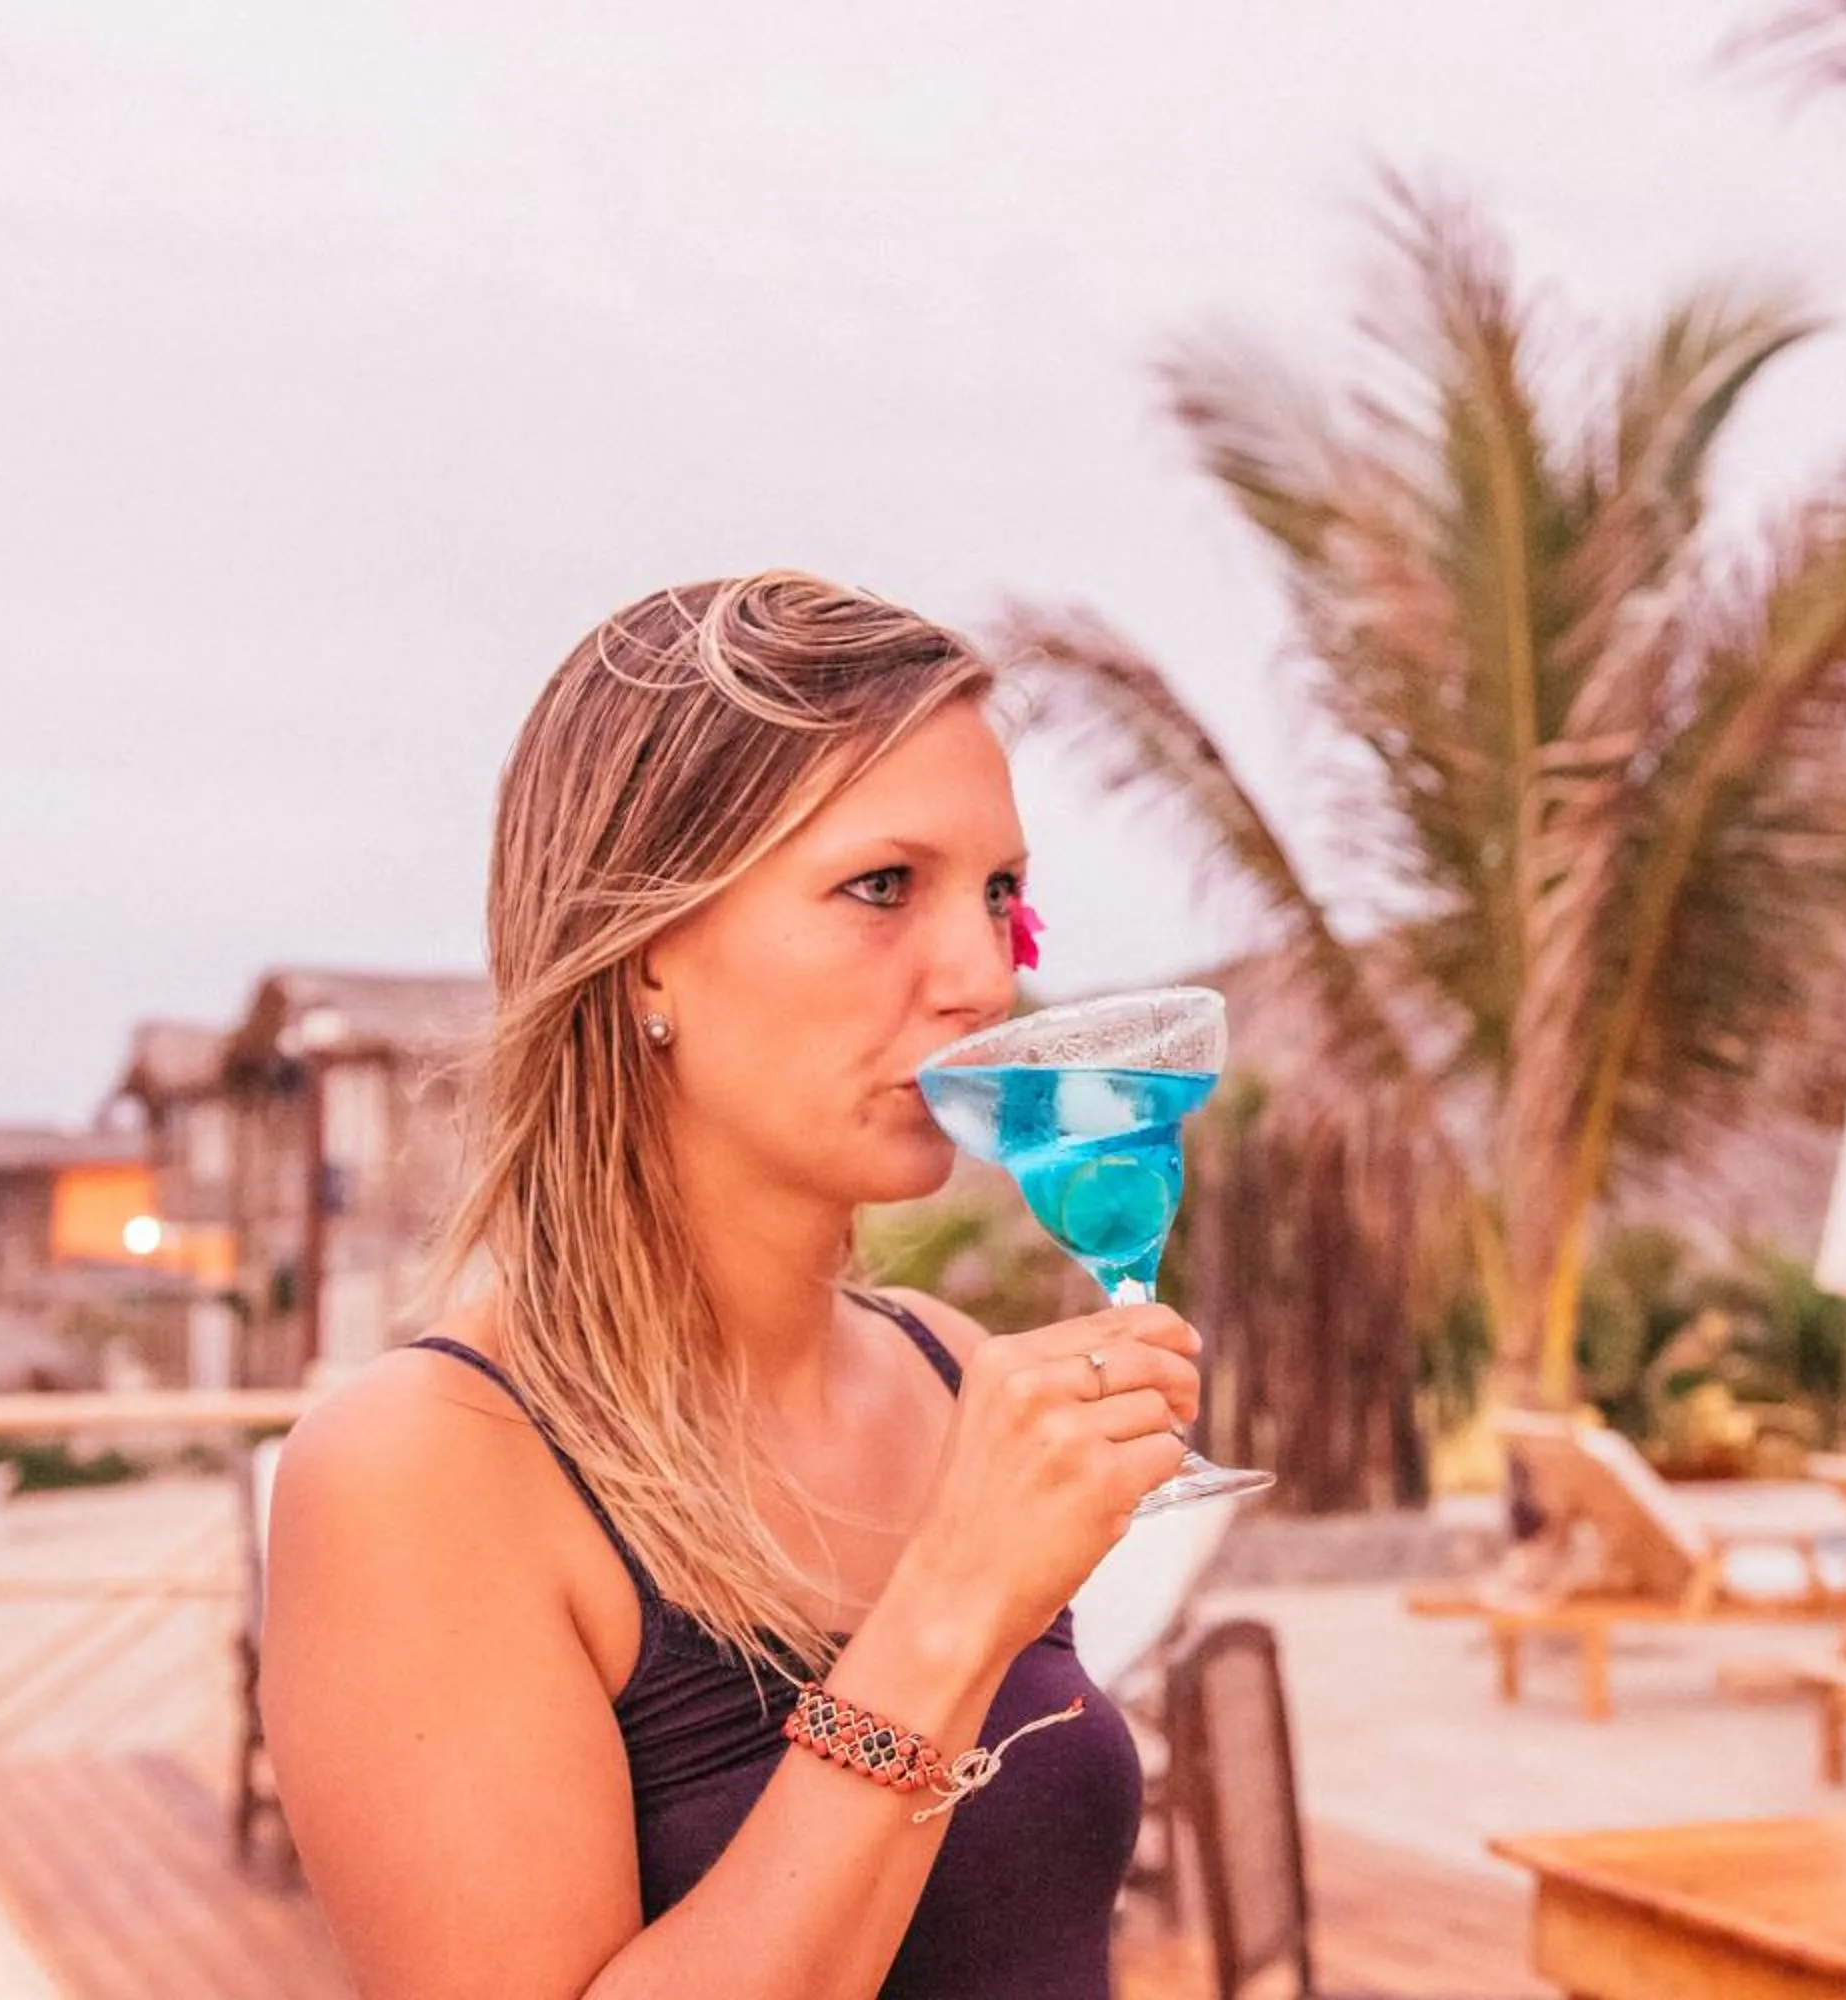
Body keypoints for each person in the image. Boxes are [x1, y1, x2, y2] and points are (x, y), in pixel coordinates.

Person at [261, 572, 1200, 1999]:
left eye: (999, 893)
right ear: (644, 948)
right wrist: (950, 1605)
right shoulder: (428, 1471)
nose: (978, 976)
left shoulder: (947, 1367)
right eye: (881, 887)